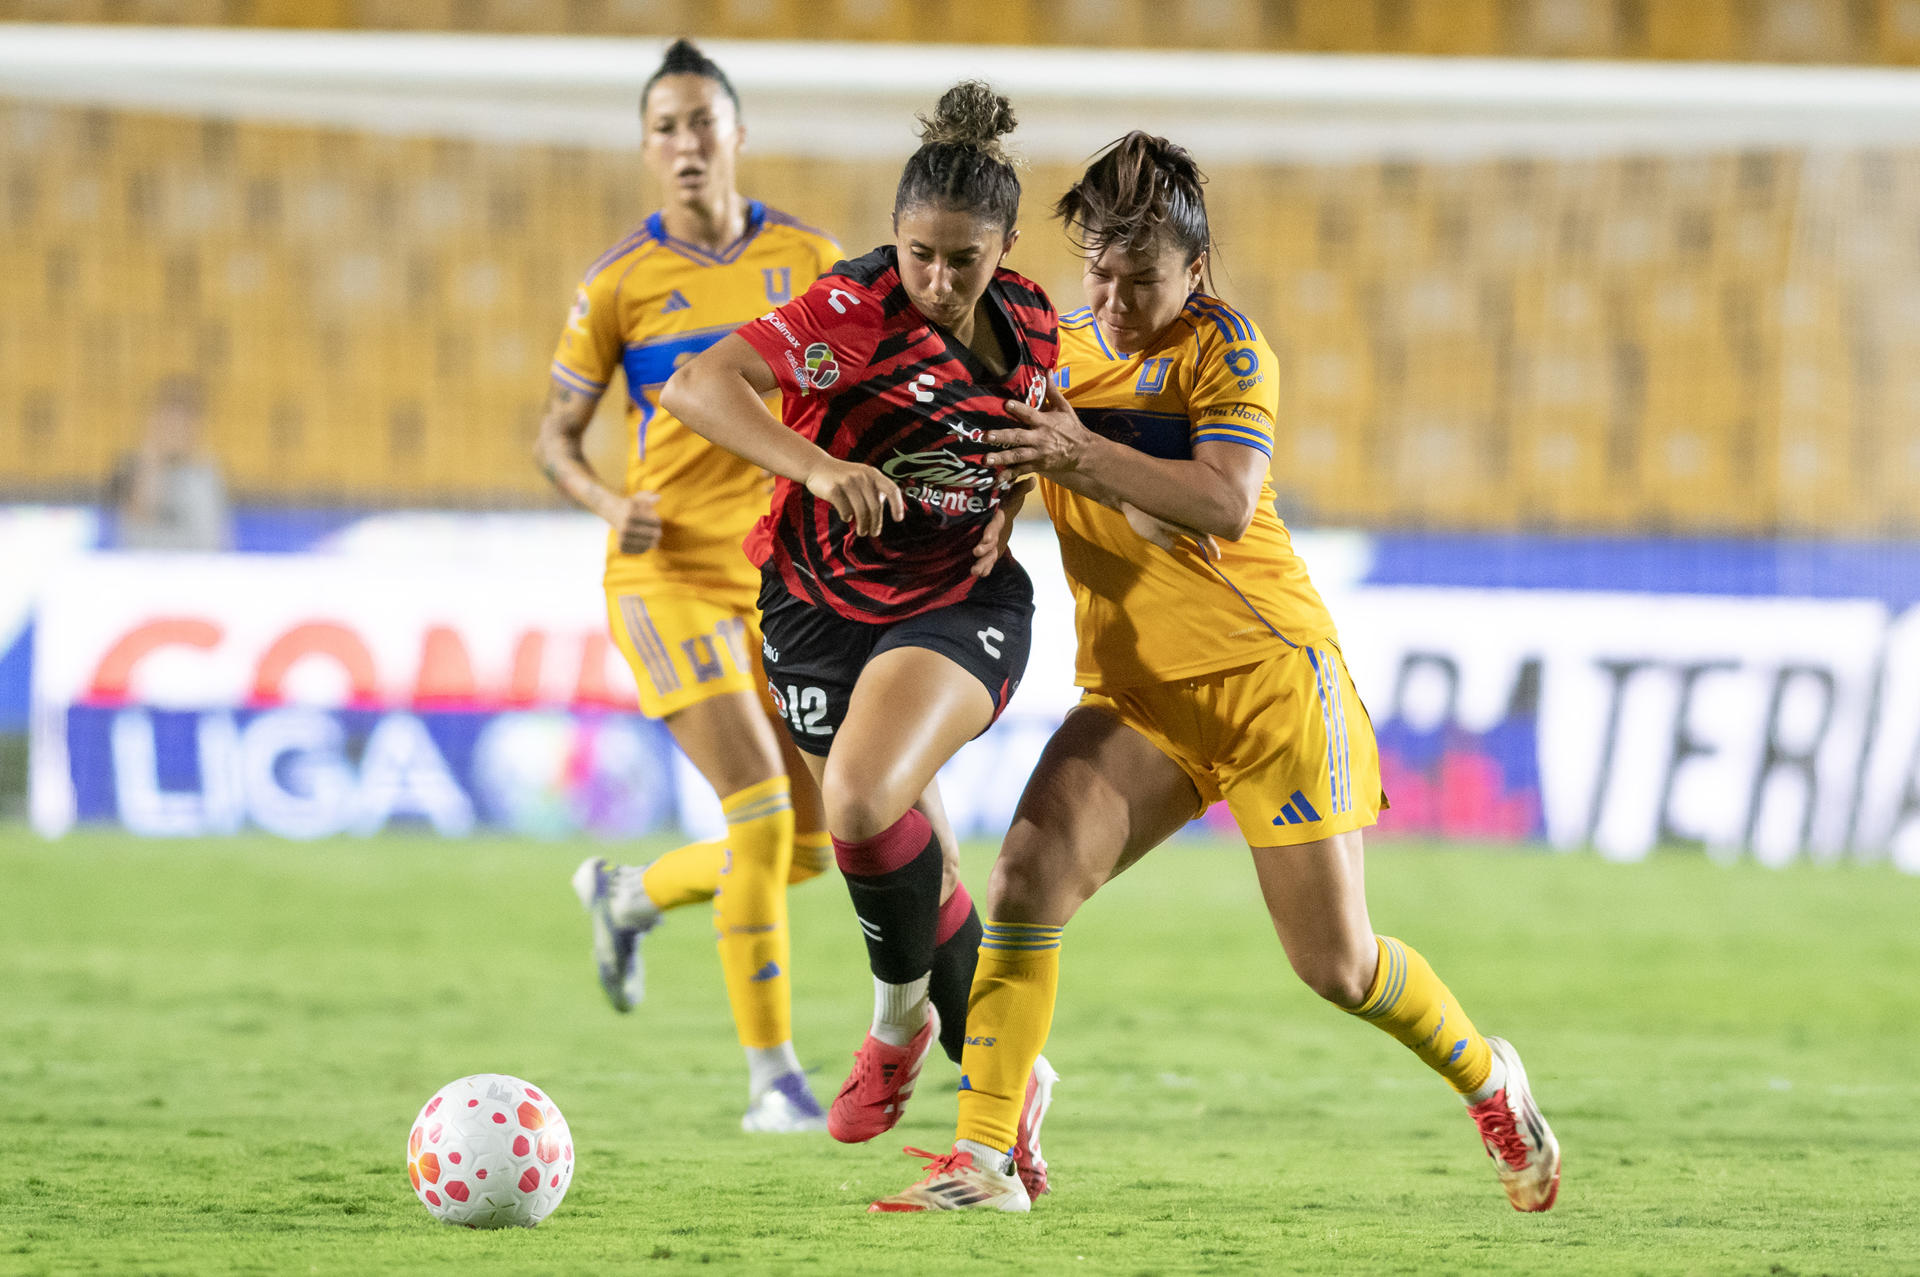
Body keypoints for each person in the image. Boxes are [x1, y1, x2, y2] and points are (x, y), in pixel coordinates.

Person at [871, 132, 1561, 1214]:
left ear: (1194, 270)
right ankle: (984, 1156)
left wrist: (1079, 455)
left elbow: (1224, 502)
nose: (1113, 298)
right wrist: (984, 509)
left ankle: (1490, 1079)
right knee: (1025, 881)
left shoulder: (1227, 349)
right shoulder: (1055, 349)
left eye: (1140, 278)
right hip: (1139, 697)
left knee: (1337, 965)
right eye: (1098, 272)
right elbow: (1021, 452)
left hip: (1269, 683)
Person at [537, 38, 945, 1134]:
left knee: (806, 847)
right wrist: (603, 500)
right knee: (759, 811)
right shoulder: (618, 282)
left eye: (701, 123)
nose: (685, 144)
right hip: (663, 574)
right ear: (645, 148)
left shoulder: (810, 257)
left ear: (737, 135)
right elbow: (553, 439)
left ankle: (628, 893)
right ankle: (774, 1082)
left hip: (776, 577)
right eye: (664, 127)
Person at [658, 81, 1059, 1195]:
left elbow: (1032, 435)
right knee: (914, 859)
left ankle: (895, 1023)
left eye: (964, 260)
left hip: (959, 604)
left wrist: (1012, 504)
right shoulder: (852, 311)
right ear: (895, 236)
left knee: (858, 799)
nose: (939, 279)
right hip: (814, 607)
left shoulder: (1034, 322)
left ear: (1006, 249)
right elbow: (697, 385)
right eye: (920, 254)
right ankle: (1010, 1104)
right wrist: (821, 466)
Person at [107, 374, 233, 552]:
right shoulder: (131, 467)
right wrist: (151, 461)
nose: (175, 432)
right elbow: (138, 517)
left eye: (183, 424)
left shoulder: (207, 473)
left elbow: (215, 538)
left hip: (196, 565)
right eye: (169, 423)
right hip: (145, 564)